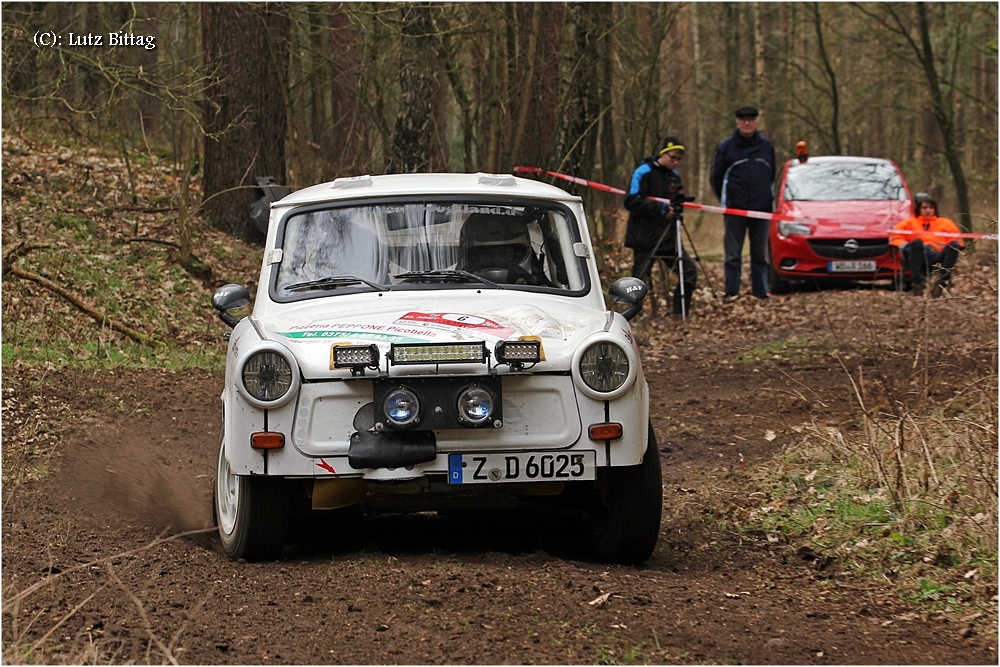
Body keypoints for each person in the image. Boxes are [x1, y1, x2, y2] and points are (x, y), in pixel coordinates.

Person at [624, 136, 697, 316]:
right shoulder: (643, 171)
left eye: (679, 159)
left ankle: (680, 314)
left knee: (689, 271)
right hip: (644, 237)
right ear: (663, 154)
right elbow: (631, 201)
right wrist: (660, 208)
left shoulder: (674, 176)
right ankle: (632, 317)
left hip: (669, 236)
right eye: (673, 157)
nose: (676, 162)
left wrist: (674, 209)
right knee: (638, 282)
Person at [710, 106, 776, 302]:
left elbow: (770, 175)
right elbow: (716, 177)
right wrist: (727, 200)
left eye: (751, 119)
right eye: (743, 120)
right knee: (733, 255)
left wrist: (764, 197)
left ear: (756, 122)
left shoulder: (767, 146)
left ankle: (761, 293)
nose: (747, 123)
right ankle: (731, 293)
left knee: (760, 255)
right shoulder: (725, 147)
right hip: (734, 209)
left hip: (761, 210)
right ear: (737, 122)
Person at [889, 195, 963, 297]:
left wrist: (951, 246)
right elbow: (894, 236)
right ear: (919, 209)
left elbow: (957, 239)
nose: (928, 210)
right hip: (917, 255)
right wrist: (906, 246)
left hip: (937, 254)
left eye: (931, 208)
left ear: (935, 209)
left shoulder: (946, 223)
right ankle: (917, 283)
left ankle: (941, 282)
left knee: (954, 245)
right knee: (917, 242)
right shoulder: (909, 222)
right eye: (924, 208)